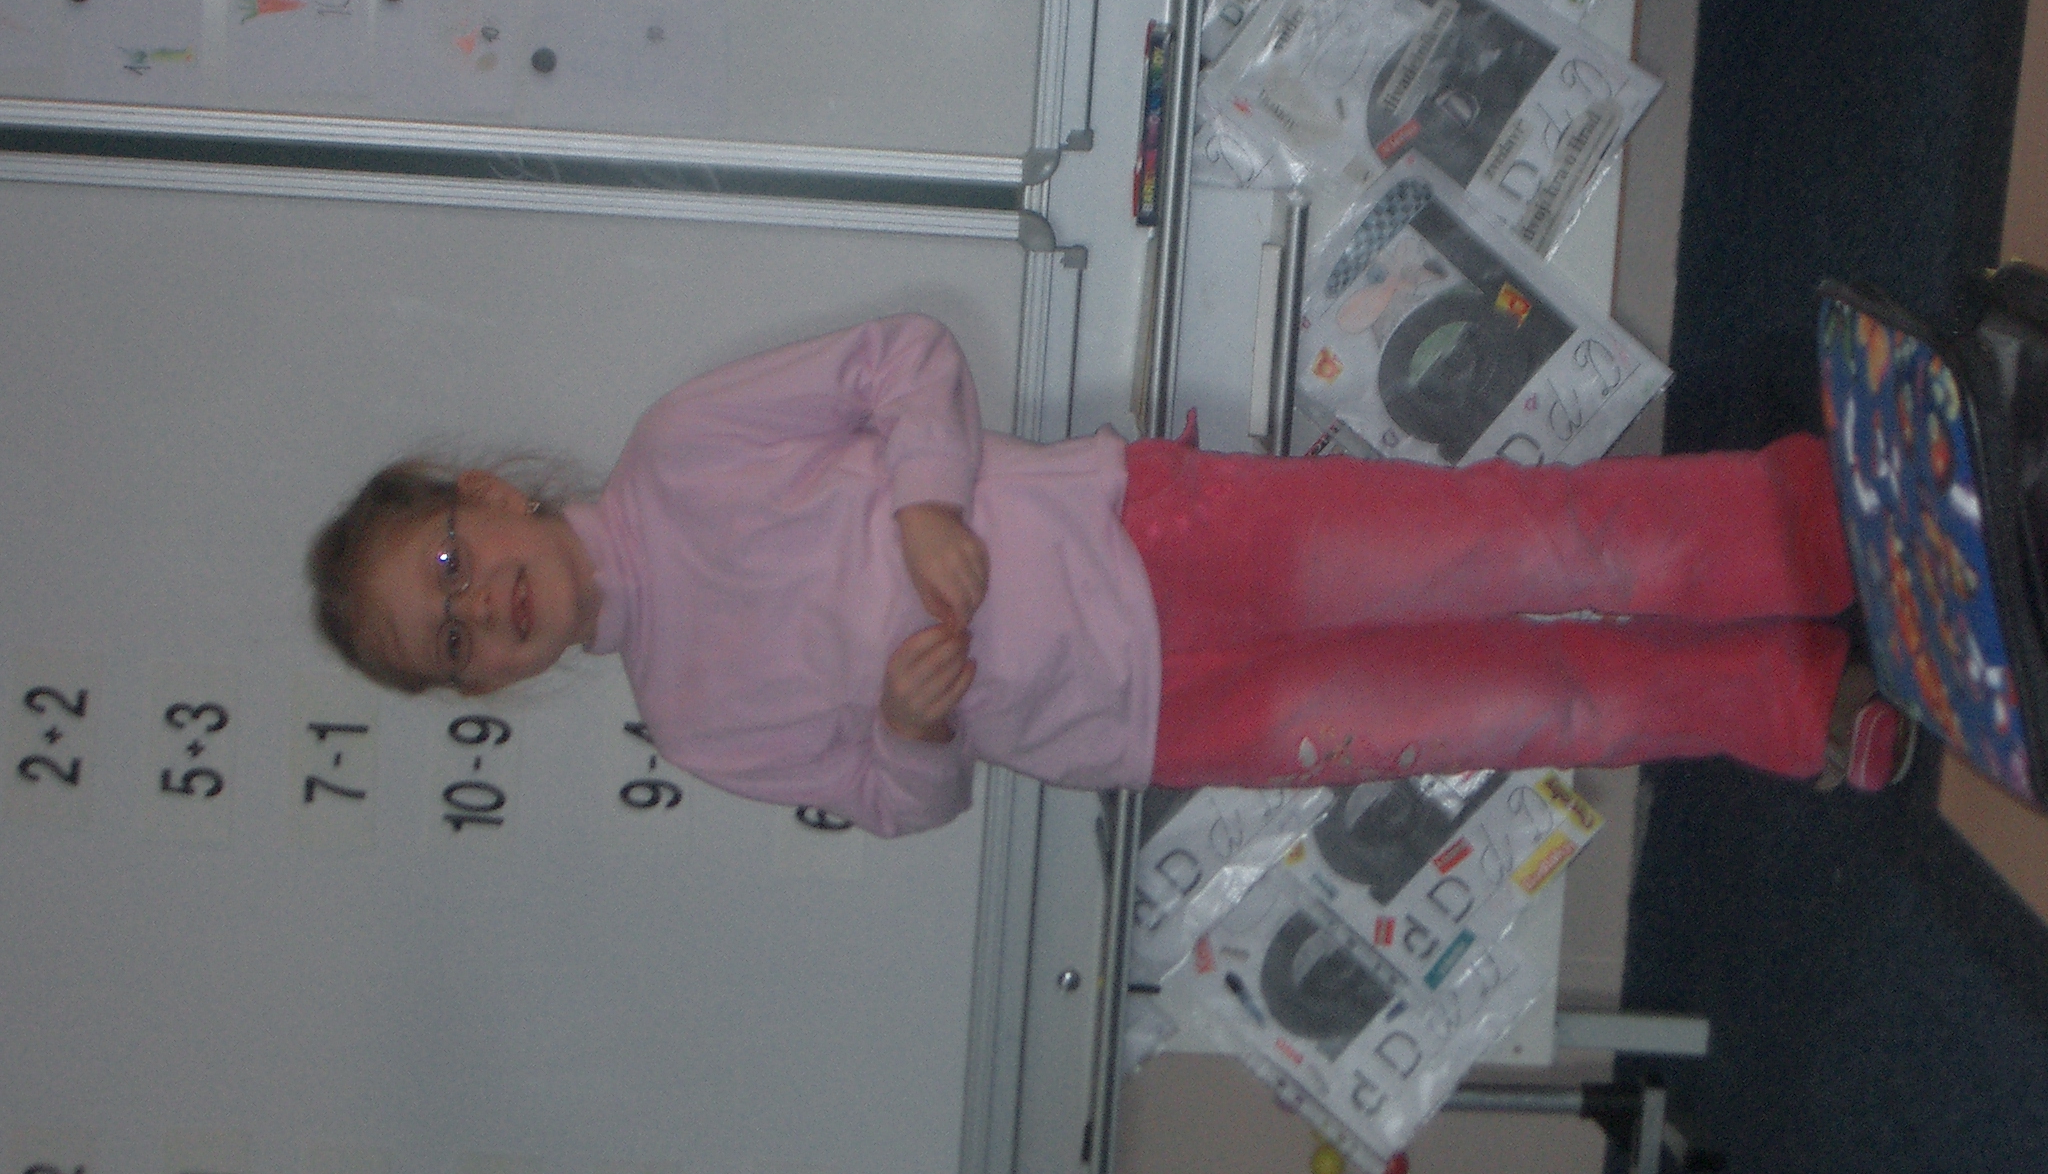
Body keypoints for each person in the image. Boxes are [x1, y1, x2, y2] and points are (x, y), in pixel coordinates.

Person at [309, 313, 1906, 838]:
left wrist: (926, 502)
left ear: (486, 494)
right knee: (1509, 708)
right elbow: (902, 807)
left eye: (453, 563)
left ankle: (1784, 528)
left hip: (1156, 535)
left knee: (1505, 542)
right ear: (481, 685)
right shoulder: (688, 719)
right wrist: (914, 731)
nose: (479, 609)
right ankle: (1777, 697)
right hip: (1151, 725)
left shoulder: (677, 452)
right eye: (449, 644)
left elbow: (905, 359)